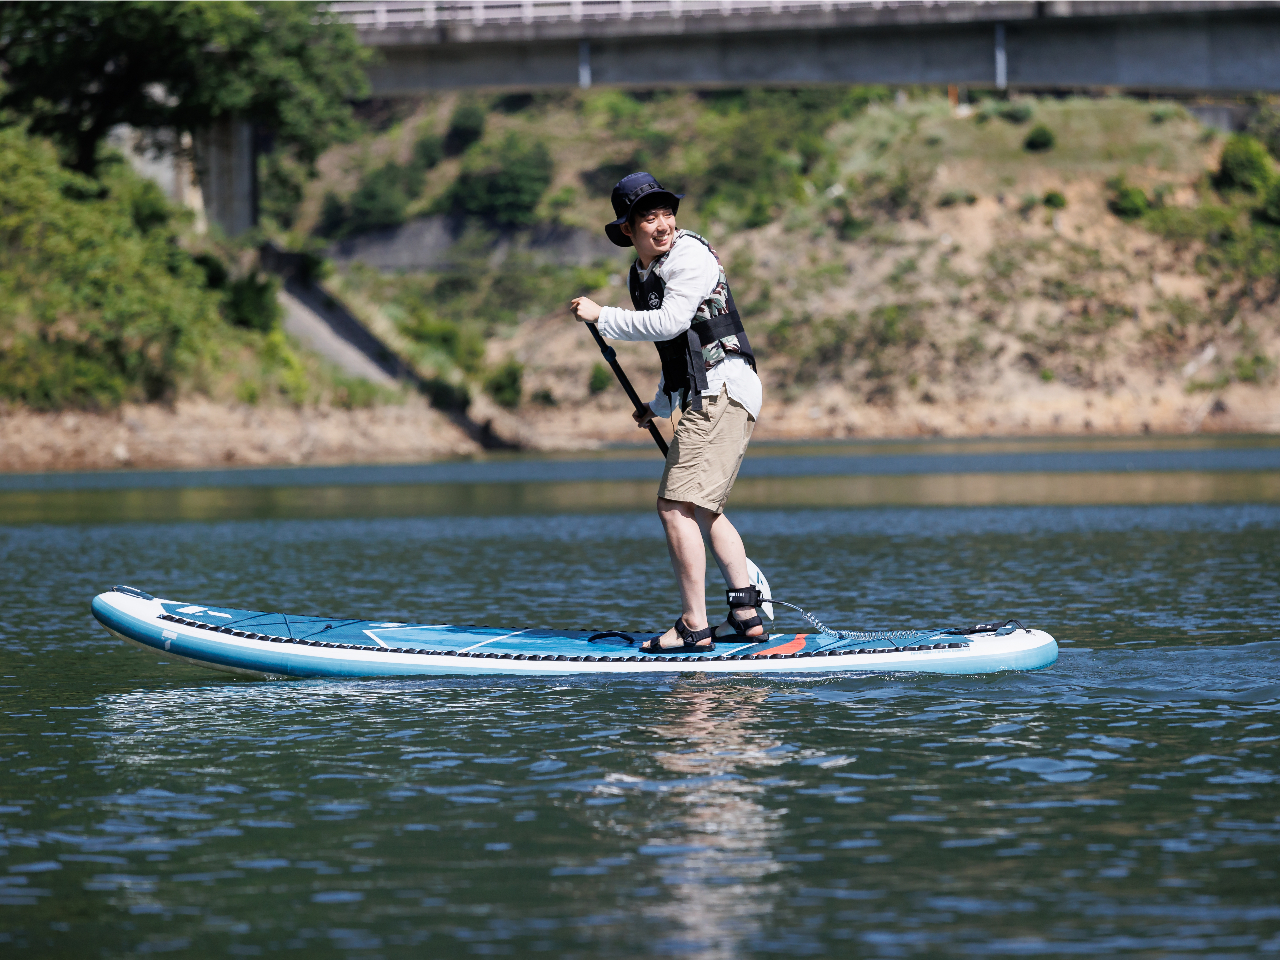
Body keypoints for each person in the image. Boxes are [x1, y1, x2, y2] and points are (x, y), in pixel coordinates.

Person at [569, 172, 765, 653]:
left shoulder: (689, 256)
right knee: (700, 506)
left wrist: (603, 316)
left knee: (673, 505)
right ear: (627, 231)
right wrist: (657, 408)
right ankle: (747, 612)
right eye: (648, 217)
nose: (662, 225)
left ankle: (694, 625)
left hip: (723, 389)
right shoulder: (645, 273)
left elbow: (673, 321)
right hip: (704, 392)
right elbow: (676, 349)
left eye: (666, 213)